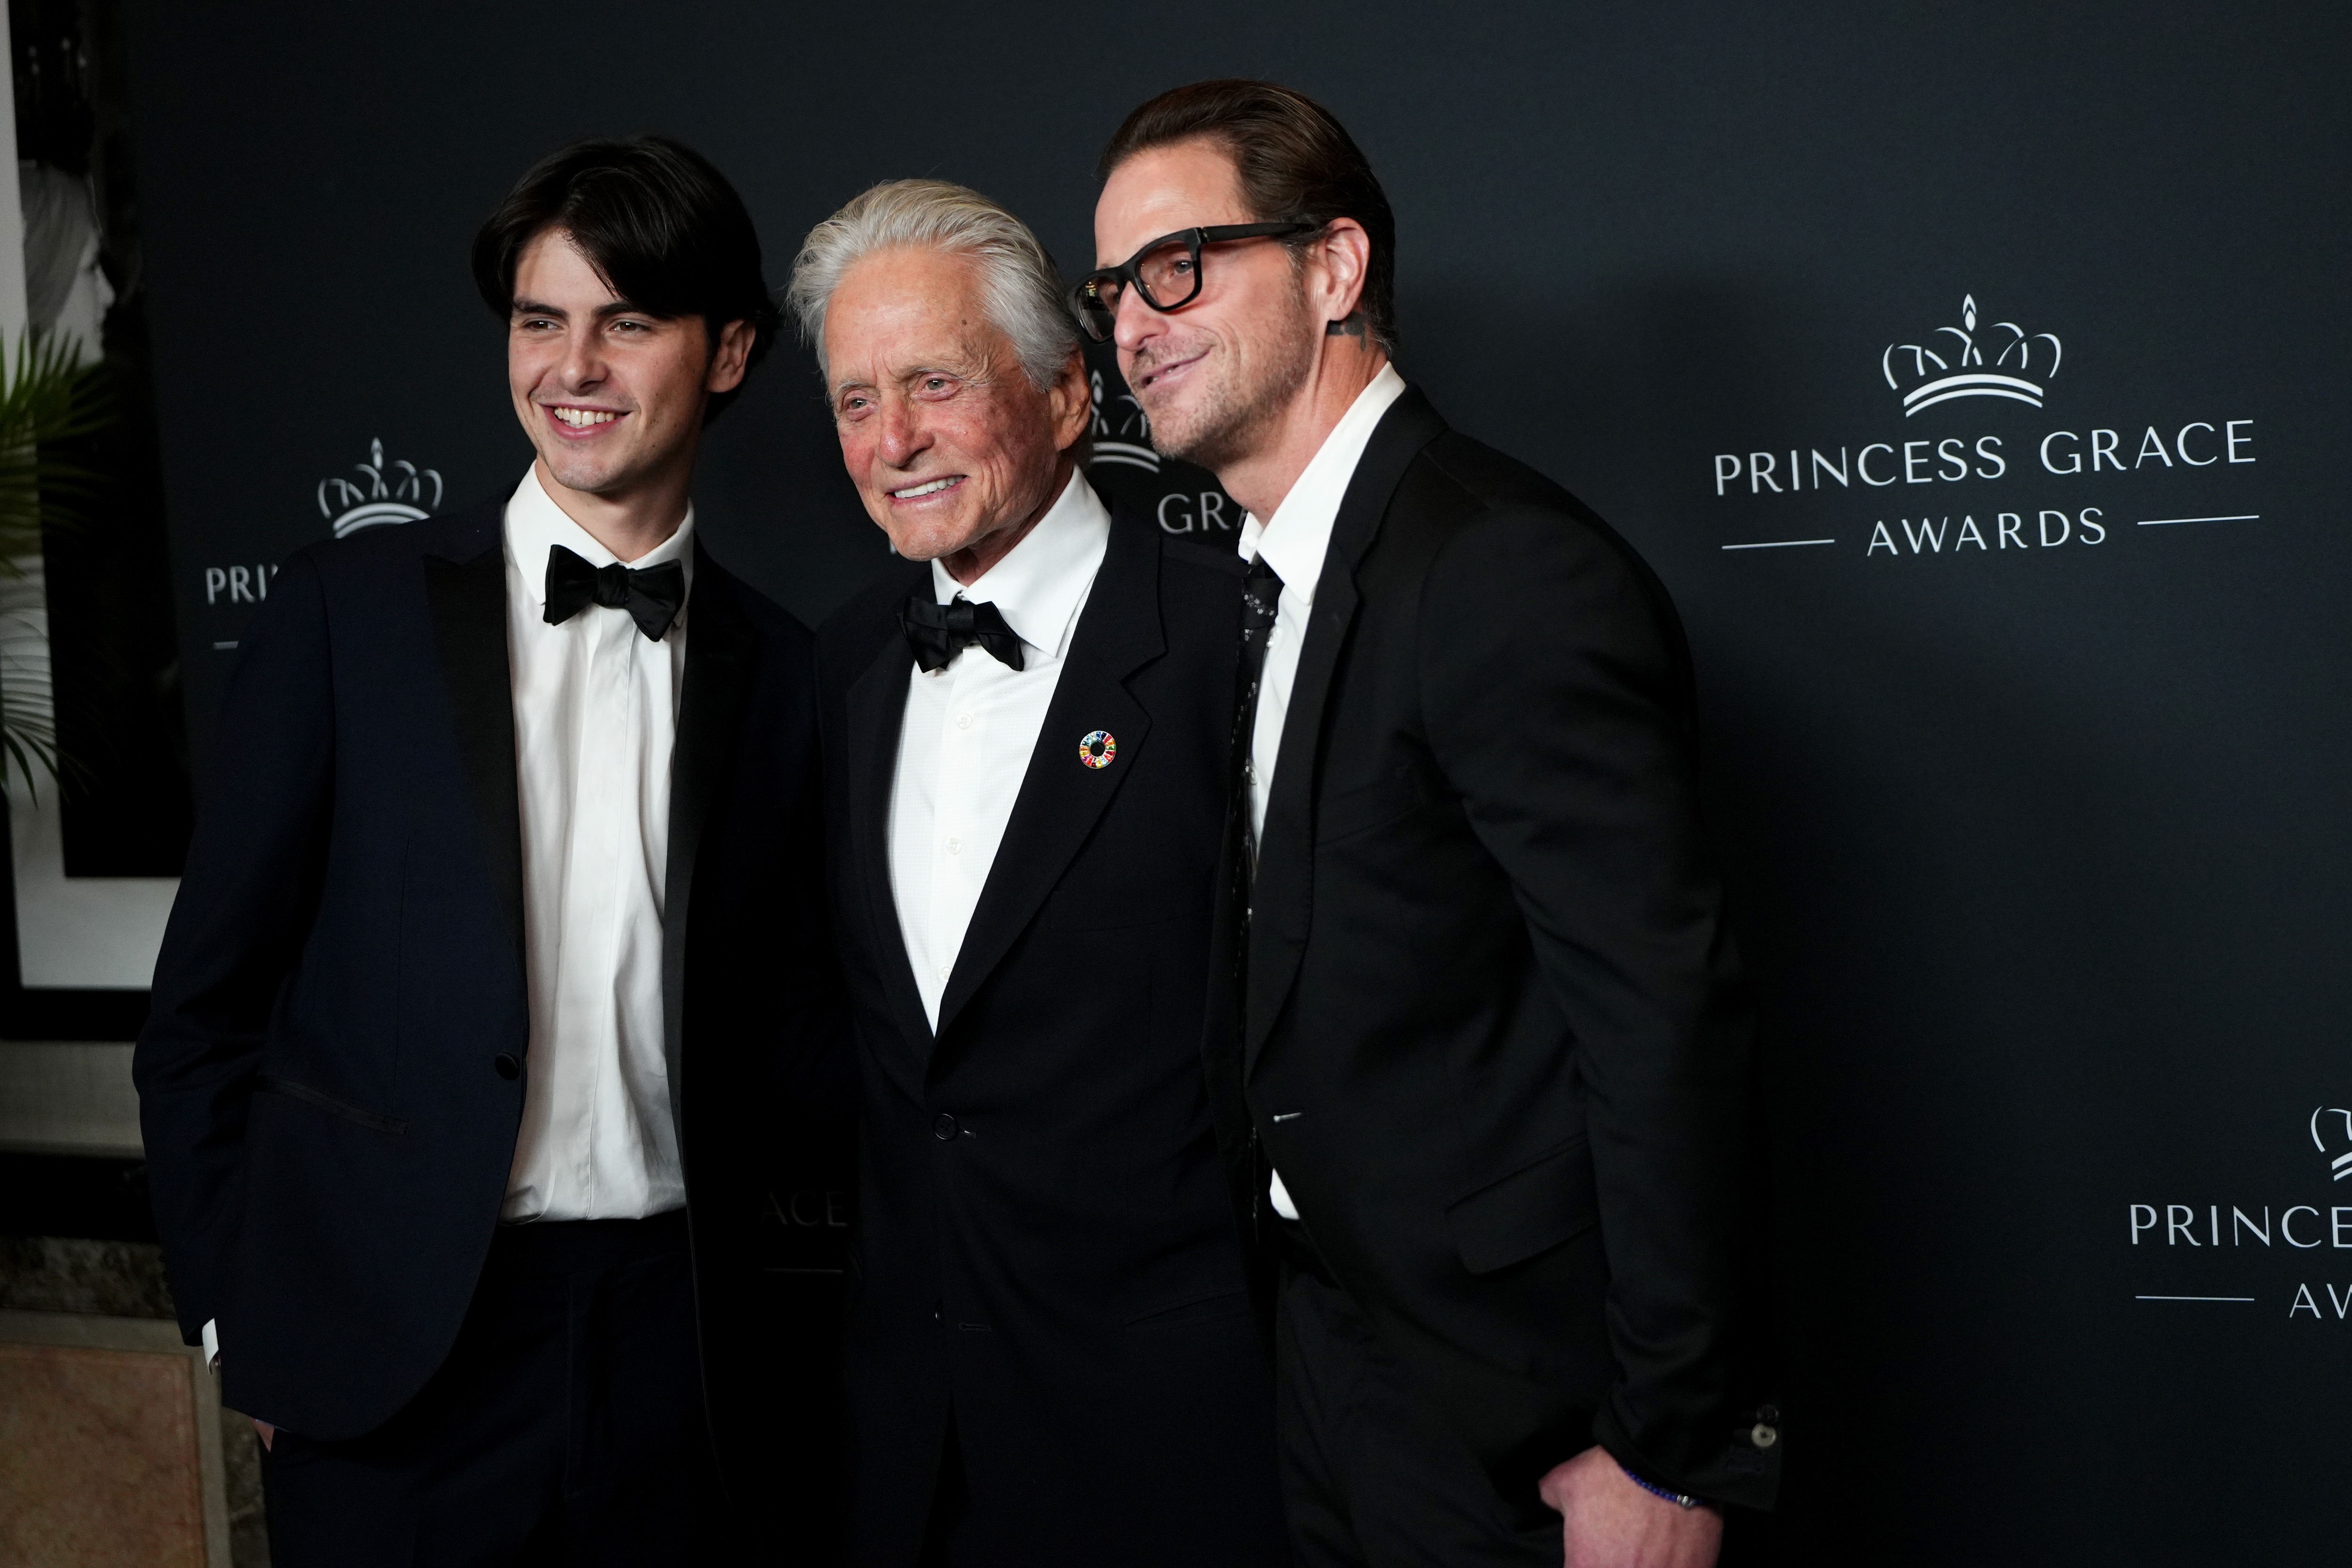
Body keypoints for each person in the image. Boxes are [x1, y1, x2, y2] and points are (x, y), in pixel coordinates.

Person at [1085, 80, 1781, 1568]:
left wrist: (1669, 1453)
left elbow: (1662, 1029)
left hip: (1539, 1420)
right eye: (1112, 289)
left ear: (1334, 270)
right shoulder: (1266, 585)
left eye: (1178, 266)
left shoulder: (1500, 568)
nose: (1133, 324)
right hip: (1329, 1356)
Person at [133, 135, 842, 1564]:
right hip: (390, 1352)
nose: (571, 366)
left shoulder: (787, 668)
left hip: (684, 1343)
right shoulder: (350, 613)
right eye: (540, 320)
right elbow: (205, 1008)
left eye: (627, 322)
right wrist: (239, 1315)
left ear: (728, 351)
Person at [789, 179, 1288, 1568]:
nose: (894, 444)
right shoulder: (843, 667)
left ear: (1070, 396)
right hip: (911, 1441)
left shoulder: (1229, 637)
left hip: (1175, 1431)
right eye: (854, 402)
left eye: (936, 384)